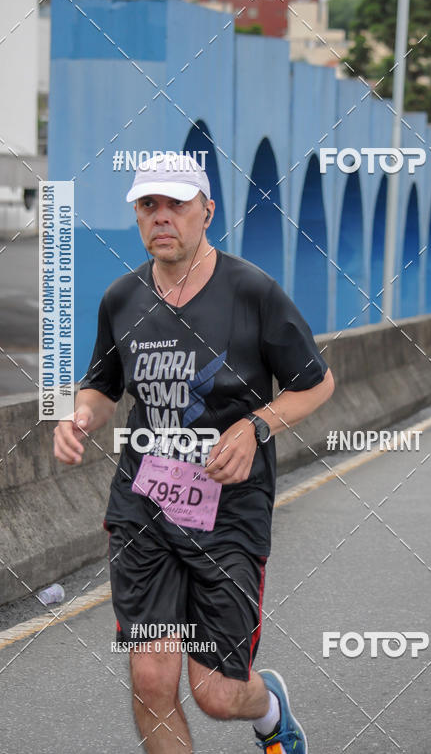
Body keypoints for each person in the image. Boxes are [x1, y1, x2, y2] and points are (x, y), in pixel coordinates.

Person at [54, 152, 335, 753]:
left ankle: (268, 707)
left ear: (206, 212)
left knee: (215, 693)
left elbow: (317, 383)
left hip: (228, 511)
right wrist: (79, 417)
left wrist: (257, 425)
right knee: (152, 680)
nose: (162, 217)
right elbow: (103, 388)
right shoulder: (121, 299)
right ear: (136, 217)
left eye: (176, 204)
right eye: (148, 206)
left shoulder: (252, 291)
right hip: (144, 507)